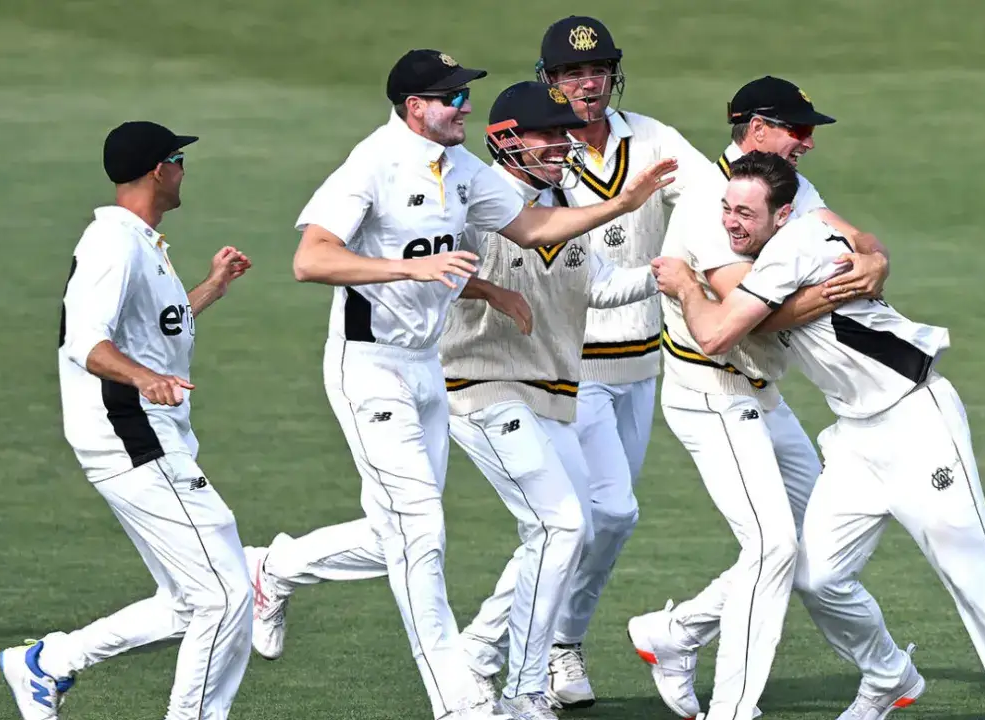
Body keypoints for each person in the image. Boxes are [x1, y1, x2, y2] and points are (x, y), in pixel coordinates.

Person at [248, 49, 677, 720]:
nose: (465, 106)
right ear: (415, 106)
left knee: (396, 533)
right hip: (372, 365)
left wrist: (623, 205)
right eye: (452, 97)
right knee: (432, 533)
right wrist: (410, 270)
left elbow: (531, 228)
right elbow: (312, 260)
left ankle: (275, 567)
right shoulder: (372, 164)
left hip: (425, 366)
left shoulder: (464, 170)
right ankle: (464, 698)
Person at [652, 151, 985, 720]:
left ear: (782, 215)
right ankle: (885, 680)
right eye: (727, 209)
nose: (731, 223)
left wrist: (684, 285)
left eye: (745, 214)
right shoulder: (795, 237)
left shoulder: (792, 247)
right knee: (816, 577)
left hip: (917, 422)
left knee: (975, 573)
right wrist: (874, 255)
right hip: (854, 437)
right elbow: (846, 238)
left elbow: (717, 336)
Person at [626, 77, 905, 720]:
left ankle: (678, 635)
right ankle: (733, 707)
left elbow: (858, 241)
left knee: (815, 543)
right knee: (773, 548)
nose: (808, 142)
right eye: (796, 129)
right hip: (711, 394)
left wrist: (877, 263)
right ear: (756, 129)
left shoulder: (790, 189)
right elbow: (749, 318)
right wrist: (839, 289)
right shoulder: (716, 202)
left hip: (761, 395)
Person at [0, 121, 254, 720]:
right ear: (159, 170)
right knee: (225, 594)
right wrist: (143, 379)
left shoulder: (142, 242)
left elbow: (153, 328)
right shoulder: (112, 243)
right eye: (179, 159)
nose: (184, 170)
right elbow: (85, 342)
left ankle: (47, 663)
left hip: (148, 435)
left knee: (190, 599)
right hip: (132, 436)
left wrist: (211, 289)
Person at [503, 16, 715, 707]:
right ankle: (541, 646)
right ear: (550, 80)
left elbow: (712, 198)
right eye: (571, 73)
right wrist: (666, 273)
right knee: (600, 516)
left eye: (596, 70)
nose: (586, 83)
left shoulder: (650, 139)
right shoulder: (540, 153)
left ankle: (537, 643)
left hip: (641, 362)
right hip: (569, 365)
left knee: (596, 521)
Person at [440, 81, 662, 720]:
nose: (564, 145)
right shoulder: (472, 202)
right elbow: (425, 275)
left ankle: (477, 652)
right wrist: (488, 290)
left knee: (574, 529)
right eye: (548, 134)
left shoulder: (565, 204)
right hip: (479, 384)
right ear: (507, 139)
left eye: (567, 133)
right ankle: (524, 691)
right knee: (560, 525)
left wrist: (665, 274)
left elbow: (598, 288)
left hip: (552, 394)